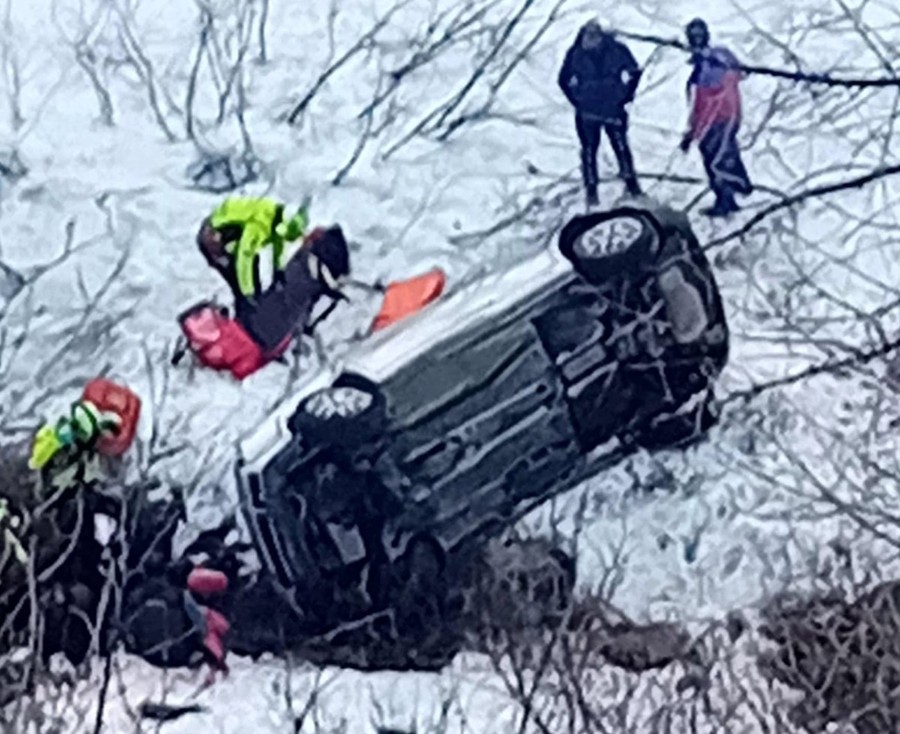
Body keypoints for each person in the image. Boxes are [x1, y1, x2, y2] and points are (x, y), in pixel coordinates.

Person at [196, 198, 352, 354]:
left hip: (233, 236)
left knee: (251, 274)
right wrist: (248, 293)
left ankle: (248, 314)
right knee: (238, 279)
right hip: (212, 238)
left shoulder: (277, 221)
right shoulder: (261, 225)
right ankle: (241, 324)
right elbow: (244, 257)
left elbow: (277, 247)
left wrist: (278, 271)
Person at [558, 20, 643, 207]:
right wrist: (577, 99)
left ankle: (632, 184)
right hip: (587, 111)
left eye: (595, 34)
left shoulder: (616, 49)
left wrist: (626, 94)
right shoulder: (576, 53)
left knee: (621, 147)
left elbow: (635, 71)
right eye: (588, 34)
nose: (591, 38)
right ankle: (591, 191)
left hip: (613, 106)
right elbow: (563, 79)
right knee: (589, 151)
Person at [679, 18, 753, 217]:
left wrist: (695, 132)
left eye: (697, 36)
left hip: (721, 117)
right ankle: (736, 188)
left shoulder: (715, 60)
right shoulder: (706, 64)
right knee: (719, 154)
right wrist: (692, 132)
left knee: (717, 158)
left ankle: (727, 198)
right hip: (720, 117)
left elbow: (708, 98)